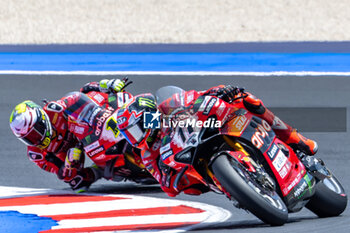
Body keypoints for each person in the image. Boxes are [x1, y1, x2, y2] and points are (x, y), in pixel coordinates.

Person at [116, 85, 318, 197]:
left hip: (211, 127)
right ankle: (236, 187)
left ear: (147, 115)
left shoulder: (169, 107)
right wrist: (170, 176)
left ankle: (295, 138)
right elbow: (167, 188)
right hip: (194, 162)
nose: (135, 137)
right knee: (192, 189)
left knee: (247, 100)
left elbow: (199, 96)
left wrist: (221, 92)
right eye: (129, 135)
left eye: (135, 129)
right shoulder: (147, 152)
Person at [9, 78, 129, 192]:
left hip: (92, 126)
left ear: (42, 119)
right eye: (28, 138)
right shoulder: (37, 154)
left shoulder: (54, 110)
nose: (36, 139)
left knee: (97, 95)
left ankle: (128, 110)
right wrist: (68, 164)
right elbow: (62, 174)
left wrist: (105, 85)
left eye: (36, 131)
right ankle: (100, 170)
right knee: (77, 182)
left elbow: (82, 92)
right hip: (78, 150)